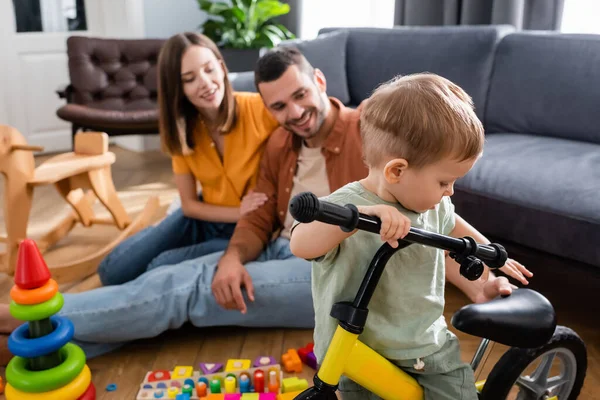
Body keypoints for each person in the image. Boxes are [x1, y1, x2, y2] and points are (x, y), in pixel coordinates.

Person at [0, 49, 526, 363]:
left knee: (187, 289)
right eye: (278, 106)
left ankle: (36, 317)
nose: (293, 112)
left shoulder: (373, 132)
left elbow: (430, 215)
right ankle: (55, 346)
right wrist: (233, 257)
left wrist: (472, 273)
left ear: (319, 82)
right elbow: (258, 214)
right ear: (266, 107)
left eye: (301, 96)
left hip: (325, 268)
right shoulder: (280, 143)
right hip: (279, 247)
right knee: (172, 270)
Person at [289, 73, 533, 400]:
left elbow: (457, 243)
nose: (450, 191)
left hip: (425, 349)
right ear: (396, 171)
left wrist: (485, 283)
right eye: (444, 181)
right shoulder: (349, 207)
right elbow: (300, 243)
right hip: (355, 350)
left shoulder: (434, 205)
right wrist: (360, 218)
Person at [96, 31, 278, 286]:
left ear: (222, 68)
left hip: (247, 230)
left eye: (209, 69)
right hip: (204, 217)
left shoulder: (261, 109)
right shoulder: (183, 129)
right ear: (178, 89)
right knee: (112, 271)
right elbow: (190, 205)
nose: (205, 83)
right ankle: (159, 233)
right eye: (189, 79)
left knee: (156, 269)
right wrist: (238, 211)